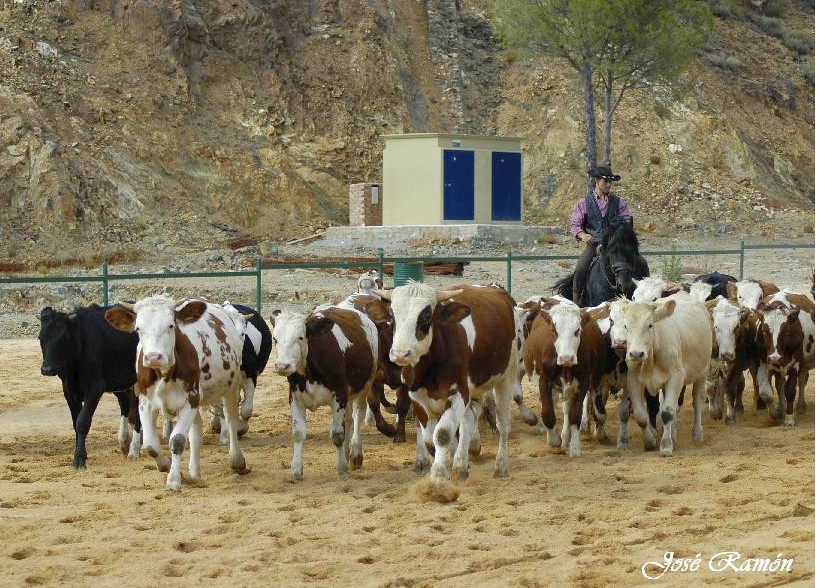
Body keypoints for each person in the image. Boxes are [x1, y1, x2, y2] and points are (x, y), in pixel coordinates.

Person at [569, 165, 633, 305]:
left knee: (635, 264)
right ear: (597, 181)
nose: (609, 185)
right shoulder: (584, 203)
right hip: (594, 245)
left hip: (615, 245)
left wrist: (622, 231)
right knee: (580, 269)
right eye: (606, 181)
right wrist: (582, 234)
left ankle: (640, 297)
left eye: (610, 182)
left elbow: (627, 221)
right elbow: (575, 224)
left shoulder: (619, 203)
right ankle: (576, 304)